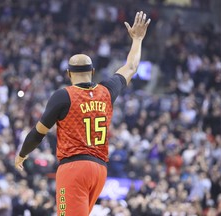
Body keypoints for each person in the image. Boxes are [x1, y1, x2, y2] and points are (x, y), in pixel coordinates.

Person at [15, 11, 151, 216]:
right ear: (93, 72)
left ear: (69, 74)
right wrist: (138, 39)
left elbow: (38, 133)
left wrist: (22, 154)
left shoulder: (63, 96)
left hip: (74, 168)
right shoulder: (107, 91)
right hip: (99, 170)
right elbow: (131, 66)